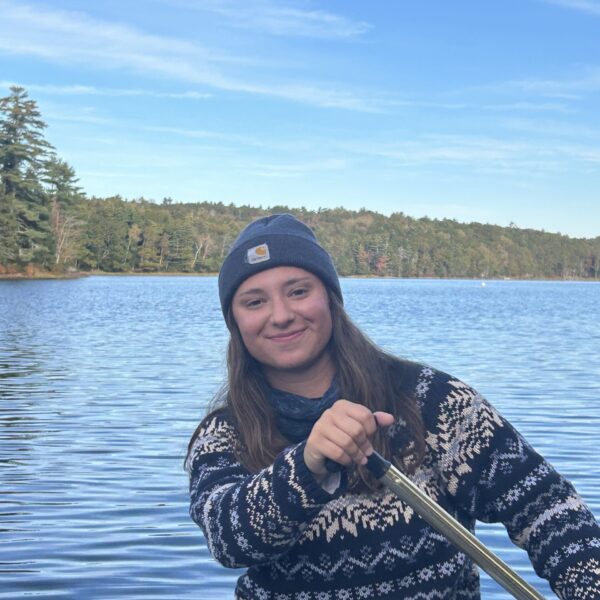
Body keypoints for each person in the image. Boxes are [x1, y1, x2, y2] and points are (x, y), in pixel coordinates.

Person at [185, 213, 600, 599]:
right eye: (254, 302)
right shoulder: (224, 433)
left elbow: (546, 507)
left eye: (298, 291)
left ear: (330, 299)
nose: (280, 315)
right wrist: (306, 466)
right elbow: (228, 541)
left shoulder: (432, 400)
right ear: (235, 321)